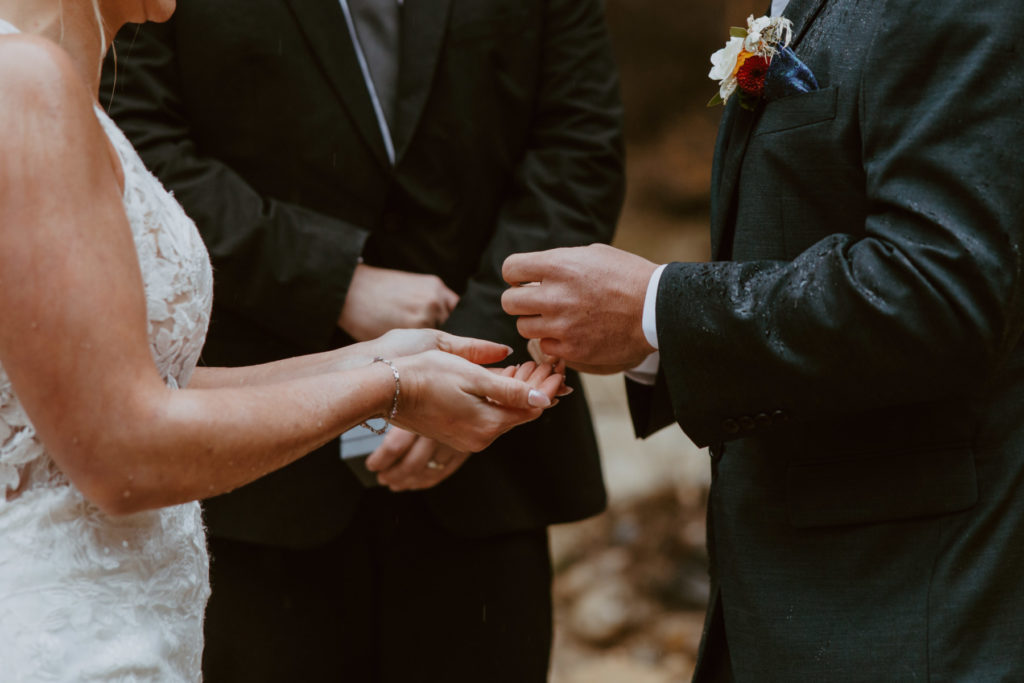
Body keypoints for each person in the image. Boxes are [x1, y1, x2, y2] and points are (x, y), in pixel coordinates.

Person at [0, 0, 567, 680]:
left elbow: (136, 384)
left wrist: (382, 357)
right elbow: (121, 455)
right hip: (70, 638)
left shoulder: (48, 83)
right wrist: (392, 386)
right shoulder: (26, 85)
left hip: (132, 623)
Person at [501, 0, 1024, 680]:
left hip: (910, 604)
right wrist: (654, 344)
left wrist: (659, 309)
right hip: (786, 592)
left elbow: (937, 289)